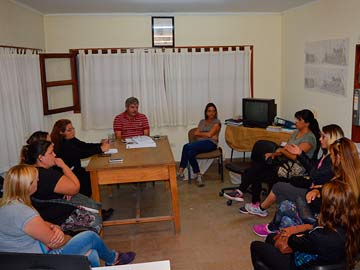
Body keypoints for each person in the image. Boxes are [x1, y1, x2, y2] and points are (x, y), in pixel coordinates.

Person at [0, 164, 135, 267]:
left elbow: (38, 225)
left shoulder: (7, 205)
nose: (39, 180)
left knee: (91, 254)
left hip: (19, 260)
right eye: (36, 180)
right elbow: (54, 242)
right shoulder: (24, 212)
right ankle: (114, 259)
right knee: (89, 237)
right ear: (28, 186)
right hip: (40, 262)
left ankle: (112, 260)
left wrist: (54, 226)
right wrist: (68, 237)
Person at [252, 124, 344, 237]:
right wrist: (300, 154)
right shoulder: (326, 154)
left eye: (323, 137)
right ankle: (281, 226)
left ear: (332, 139)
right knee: (282, 193)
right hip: (313, 188)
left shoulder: (332, 159)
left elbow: (315, 175)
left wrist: (300, 154)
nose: (320, 139)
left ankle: (265, 214)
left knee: (279, 187)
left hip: (318, 196)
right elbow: (314, 170)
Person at [250, 180, 360, 270]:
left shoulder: (320, 236)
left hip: (302, 264)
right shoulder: (353, 225)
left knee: (255, 246)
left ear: (328, 207)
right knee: (270, 238)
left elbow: (293, 242)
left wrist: (293, 233)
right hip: (332, 260)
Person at [227, 109, 320, 216]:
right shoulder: (296, 133)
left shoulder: (310, 138)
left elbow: (296, 157)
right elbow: (286, 149)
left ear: (307, 123)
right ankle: (254, 202)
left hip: (297, 169)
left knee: (257, 170)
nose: (296, 122)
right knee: (257, 168)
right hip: (285, 162)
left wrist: (281, 150)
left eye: (299, 120)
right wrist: (274, 154)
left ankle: (242, 192)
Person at [22, 140, 81, 225]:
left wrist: (65, 191)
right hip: (60, 217)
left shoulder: (30, 171)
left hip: (45, 216)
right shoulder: (47, 175)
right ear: (41, 157)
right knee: (95, 212)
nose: (55, 155)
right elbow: (76, 188)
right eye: (51, 153)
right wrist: (63, 165)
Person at [51, 119, 110, 197]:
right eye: (69, 130)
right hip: (67, 174)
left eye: (73, 128)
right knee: (90, 179)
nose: (73, 131)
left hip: (76, 170)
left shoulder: (70, 139)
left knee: (91, 175)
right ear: (61, 132)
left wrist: (100, 145)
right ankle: (87, 202)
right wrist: (100, 149)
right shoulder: (63, 144)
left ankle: (91, 202)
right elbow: (81, 153)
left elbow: (84, 145)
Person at [177, 103, 221, 187]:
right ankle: (198, 175)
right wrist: (208, 134)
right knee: (190, 153)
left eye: (213, 111)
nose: (211, 113)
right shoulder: (202, 121)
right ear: (206, 112)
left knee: (186, 146)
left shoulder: (217, 122)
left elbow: (207, 135)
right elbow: (196, 134)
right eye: (209, 111)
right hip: (200, 143)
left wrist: (204, 134)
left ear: (215, 112)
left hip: (211, 144)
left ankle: (180, 172)